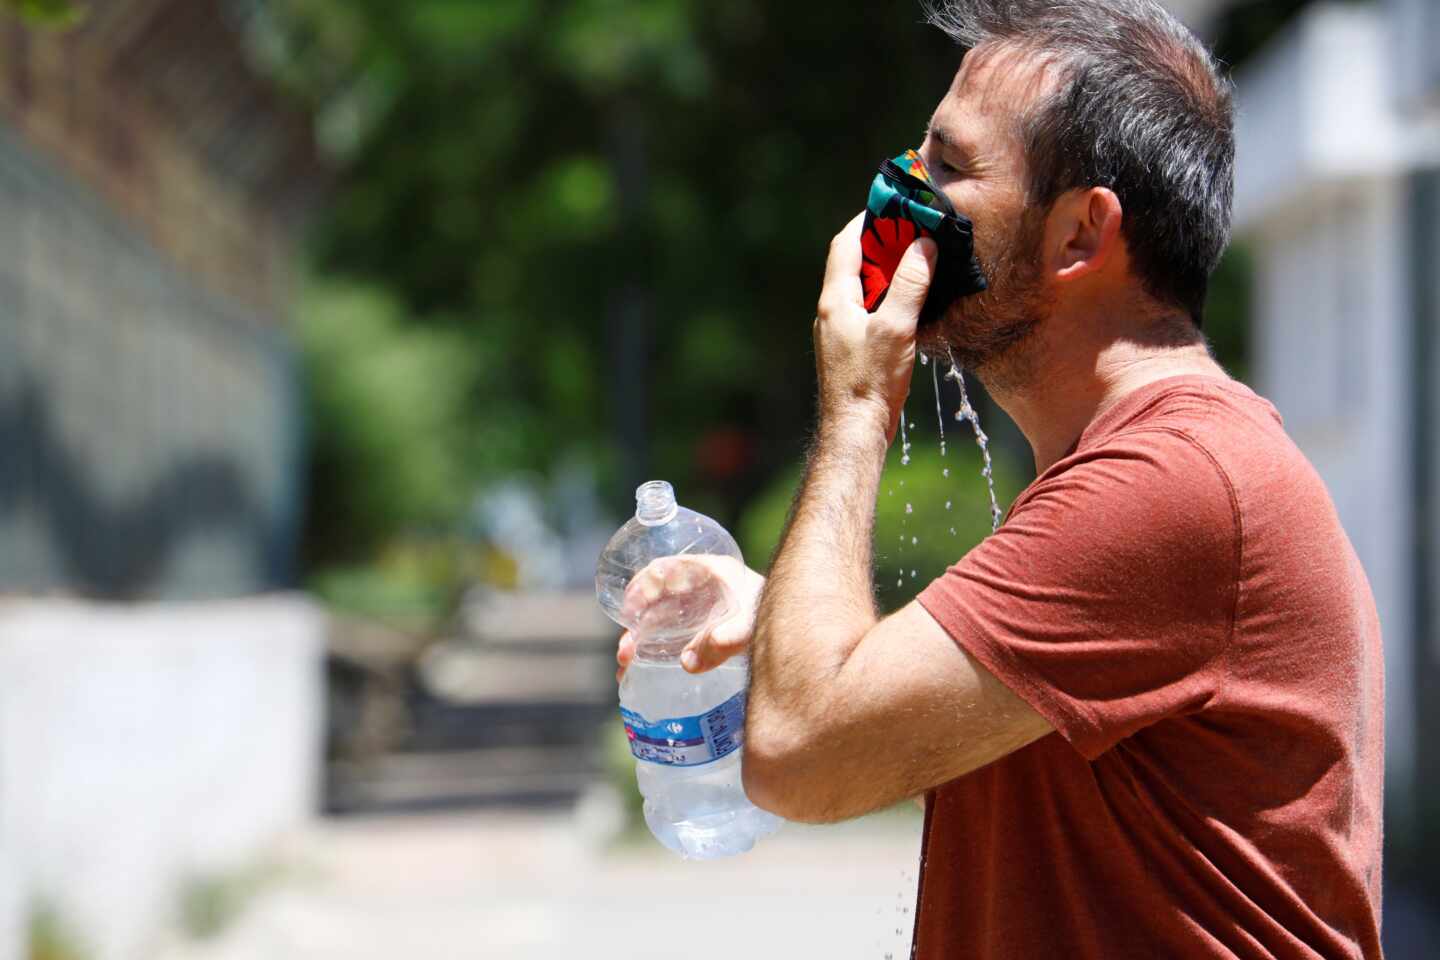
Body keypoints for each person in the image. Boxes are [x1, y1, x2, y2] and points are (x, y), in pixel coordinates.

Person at [616, 1, 1384, 956]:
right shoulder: (1137, 473)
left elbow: (803, 756)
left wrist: (859, 407)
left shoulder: (1174, 484)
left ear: (1078, 236)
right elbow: (889, 698)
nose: (900, 193)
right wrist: (774, 615)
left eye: (949, 166)